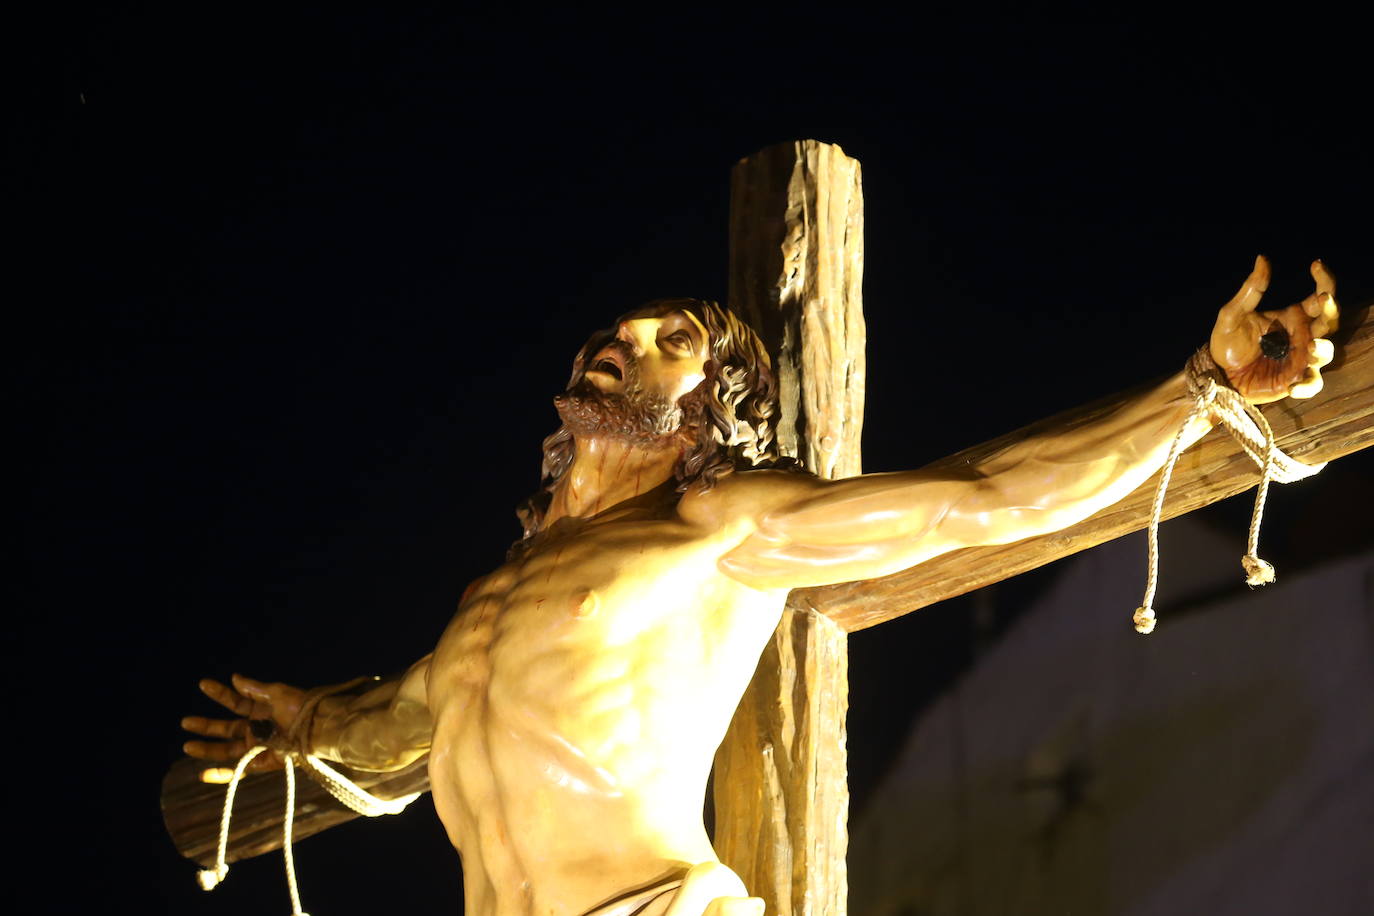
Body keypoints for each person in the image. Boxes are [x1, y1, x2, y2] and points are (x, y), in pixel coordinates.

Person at [182, 258, 1338, 916]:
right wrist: (310, 727)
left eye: (669, 334)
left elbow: (979, 497)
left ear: (712, 401)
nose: (625, 332)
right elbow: (400, 728)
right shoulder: (497, 591)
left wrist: (1196, 387)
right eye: (621, 326)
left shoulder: (717, 527)